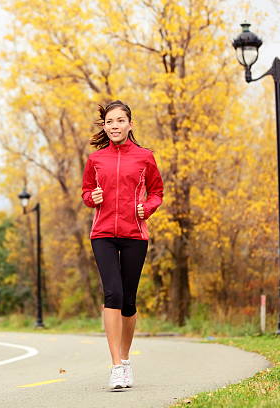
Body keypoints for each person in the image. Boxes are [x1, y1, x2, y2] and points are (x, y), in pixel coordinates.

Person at [81, 100, 164, 391]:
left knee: (128, 300)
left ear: (129, 124)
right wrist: (94, 198)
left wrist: (147, 208)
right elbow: (86, 192)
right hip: (102, 232)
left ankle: (126, 359)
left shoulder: (145, 157)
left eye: (119, 121)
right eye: (109, 122)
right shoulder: (96, 160)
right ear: (104, 126)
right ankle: (116, 365)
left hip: (134, 234)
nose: (114, 126)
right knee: (113, 293)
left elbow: (157, 192)